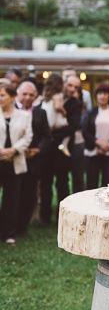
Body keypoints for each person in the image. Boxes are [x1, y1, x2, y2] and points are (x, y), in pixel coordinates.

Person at [40, 74, 82, 224]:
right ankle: (44, 216)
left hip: (62, 149)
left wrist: (53, 135)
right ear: (64, 84)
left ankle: (61, 216)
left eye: (76, 87)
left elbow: (73, 125)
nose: (72, 89)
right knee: (45, 181)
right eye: (70, 85)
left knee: (62, 183)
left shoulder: (76, 104)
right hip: (47, 147)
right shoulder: (50, 97)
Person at [15, 81, 51, 236]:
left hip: (33, 159)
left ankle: (22, 227)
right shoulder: (11, 110)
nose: (27, 97)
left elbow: (46, 136)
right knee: (14, 193)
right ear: (17, 94)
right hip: (14, 158)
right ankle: (9, 226)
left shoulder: (40, 113)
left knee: (29, 194)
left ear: (36, 96)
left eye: (31, 94)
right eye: (24, 94)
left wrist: (38, 150)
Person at [0, 81, 33, 245]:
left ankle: (8, 233)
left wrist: (13, 150)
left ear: (12, 97)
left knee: (11, 199)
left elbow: (28, 137)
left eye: (2, 95)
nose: (0, 98)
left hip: (15, 161)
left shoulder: (24, 116)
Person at [82, 84, 109, 190]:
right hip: (93, 152)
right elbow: (85, 131)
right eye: (100, 94)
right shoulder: (91, 112)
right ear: (96, 96)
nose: (102, 96)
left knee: (107, 185)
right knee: (91, 184)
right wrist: (98, 143)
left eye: (105, 93)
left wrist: (108, 145)